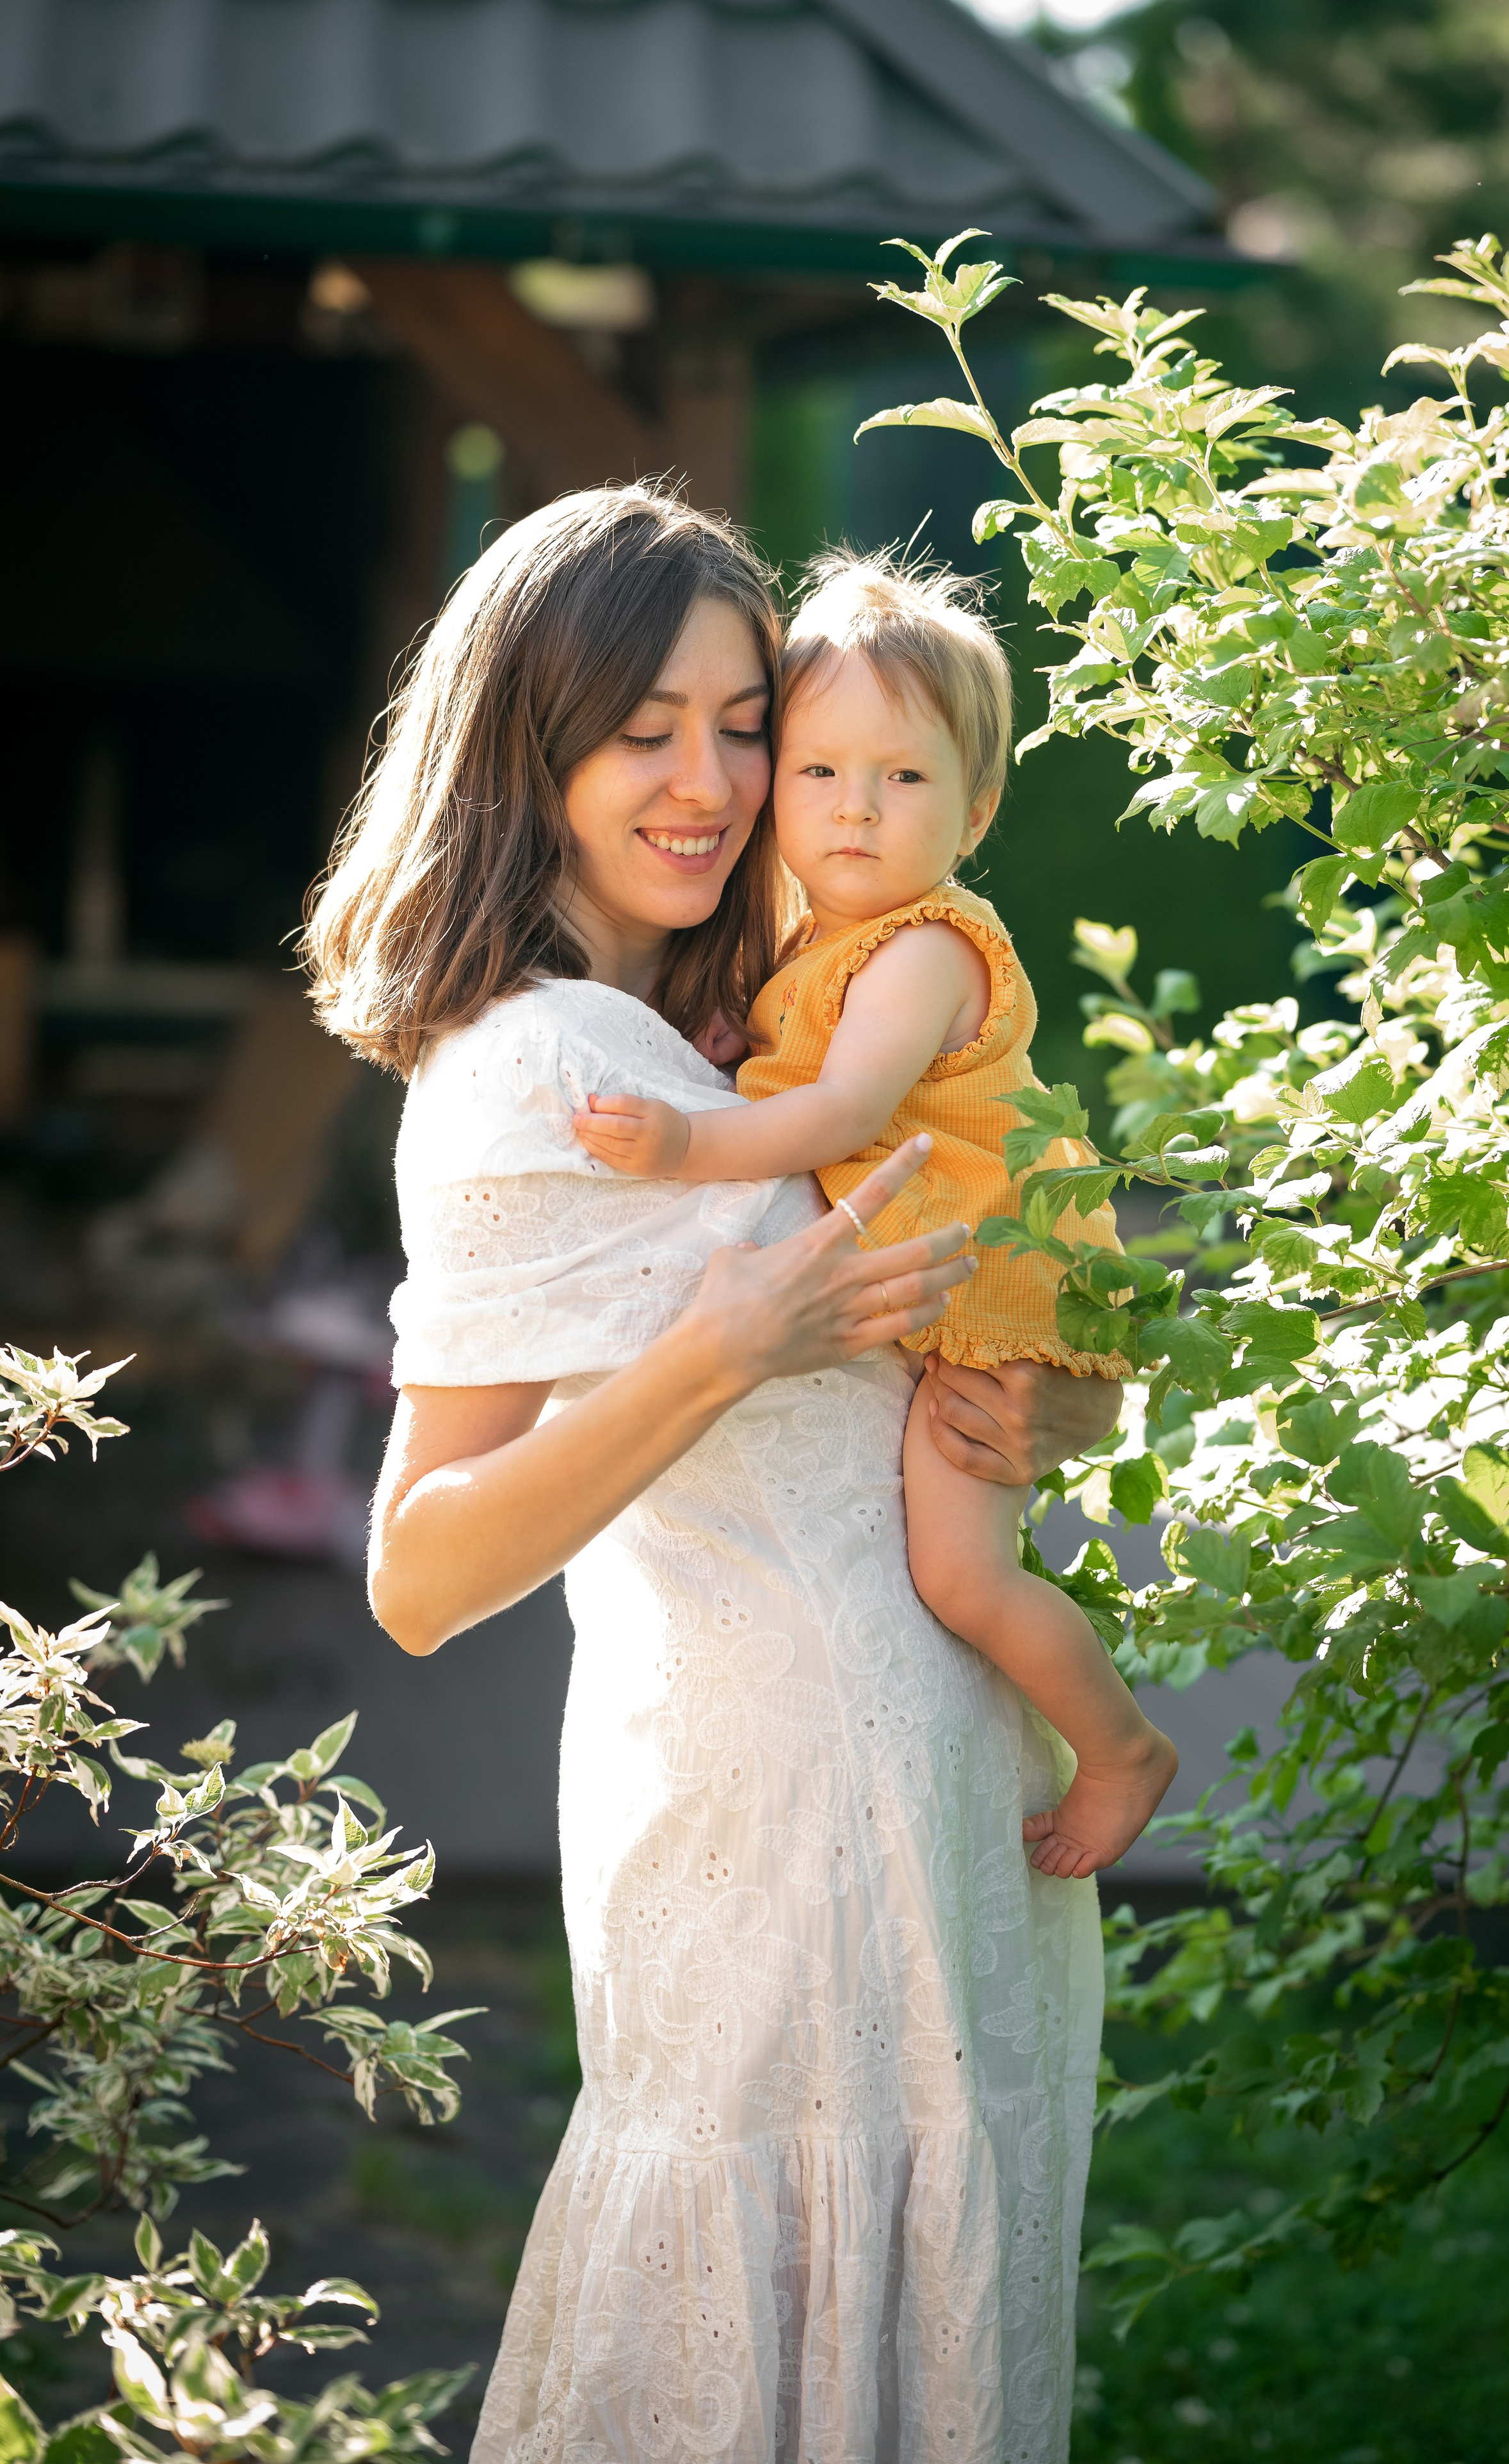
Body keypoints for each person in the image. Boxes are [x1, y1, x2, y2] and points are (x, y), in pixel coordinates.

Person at [303, 483, 1143, 2464]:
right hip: (770, 1832)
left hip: (942, 1788)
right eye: (642, 731)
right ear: (528, 749)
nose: (710, 782)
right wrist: (718, 1350)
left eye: (745, 724)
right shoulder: (530, 1070)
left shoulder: (764, 1011)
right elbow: (420, 1574)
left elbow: (963, 1308)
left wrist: (1053, 1416)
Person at [574, 553, 1177, 1881]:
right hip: (949, 1269)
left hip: (990, 1286)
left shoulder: (923, 949)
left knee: (961, 1576)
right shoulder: (814, 940)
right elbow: (794, 1060)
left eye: (903, 777)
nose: (854, 807)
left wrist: (685, 1139)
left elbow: (841, 1107)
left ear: (976, 809)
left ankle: (1121, 1748)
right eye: (819, 769)